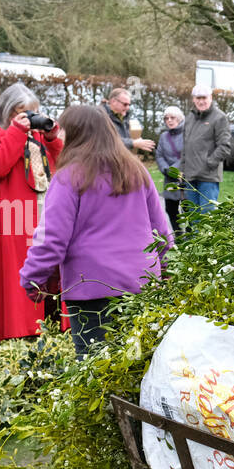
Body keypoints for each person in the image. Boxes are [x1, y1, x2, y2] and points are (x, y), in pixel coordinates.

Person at [19, 105, 173, 357]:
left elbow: (52, 238)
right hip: (142, 282)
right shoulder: (137, 171)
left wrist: (33, 279)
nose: (60, 136)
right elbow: (161, 229)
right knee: (137, 364)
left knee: (95, 369)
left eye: (65, 130)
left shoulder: (70, 177)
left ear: (78, 134)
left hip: (92, 287)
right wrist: (167, 269)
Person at [0, 81, 65, 341]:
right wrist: (15, 131)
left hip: (43, 210)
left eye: (33, 112)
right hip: (13, 214)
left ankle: (53, 320)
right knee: (17, 272)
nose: (28, 118)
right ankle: (20, 329)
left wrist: (51, 137)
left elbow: (59, 164)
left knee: (52, 266)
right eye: (22, 112)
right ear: (8, 112)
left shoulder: (36, 135)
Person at [179, 85, 230, 212]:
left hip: (208, 178)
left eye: (204, 98)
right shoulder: (189, 118)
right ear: (193, 99)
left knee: (206, 218)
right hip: (190, 177)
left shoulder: (219, 118)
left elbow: (224, 146)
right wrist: (181, 169)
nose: (201, 101)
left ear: (211, 98)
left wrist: (208, 163)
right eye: (198, 98)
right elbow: (186, 147)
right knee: (193, 218)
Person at [155, 105, 185, 232]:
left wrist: (173, 169)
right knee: (170, 209)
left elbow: (187, 154)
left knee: (188, 210)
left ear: (179, 119)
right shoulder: (163, 136)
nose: (169, 120)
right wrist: (166, 170)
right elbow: (159, 155)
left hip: (184, 177)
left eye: (172, 117)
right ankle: (179, 237)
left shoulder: (187, 134)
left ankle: (191, 238)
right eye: (166, 118)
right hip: (169, 178)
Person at [101, 87, 155, 155]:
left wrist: (138, 142)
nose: (128, 108)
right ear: (113, 101)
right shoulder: (101, 116)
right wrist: (133, 143)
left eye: (129, 105)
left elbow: (125, 138)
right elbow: (107, 141)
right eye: (125, 104)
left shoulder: (123, 117)